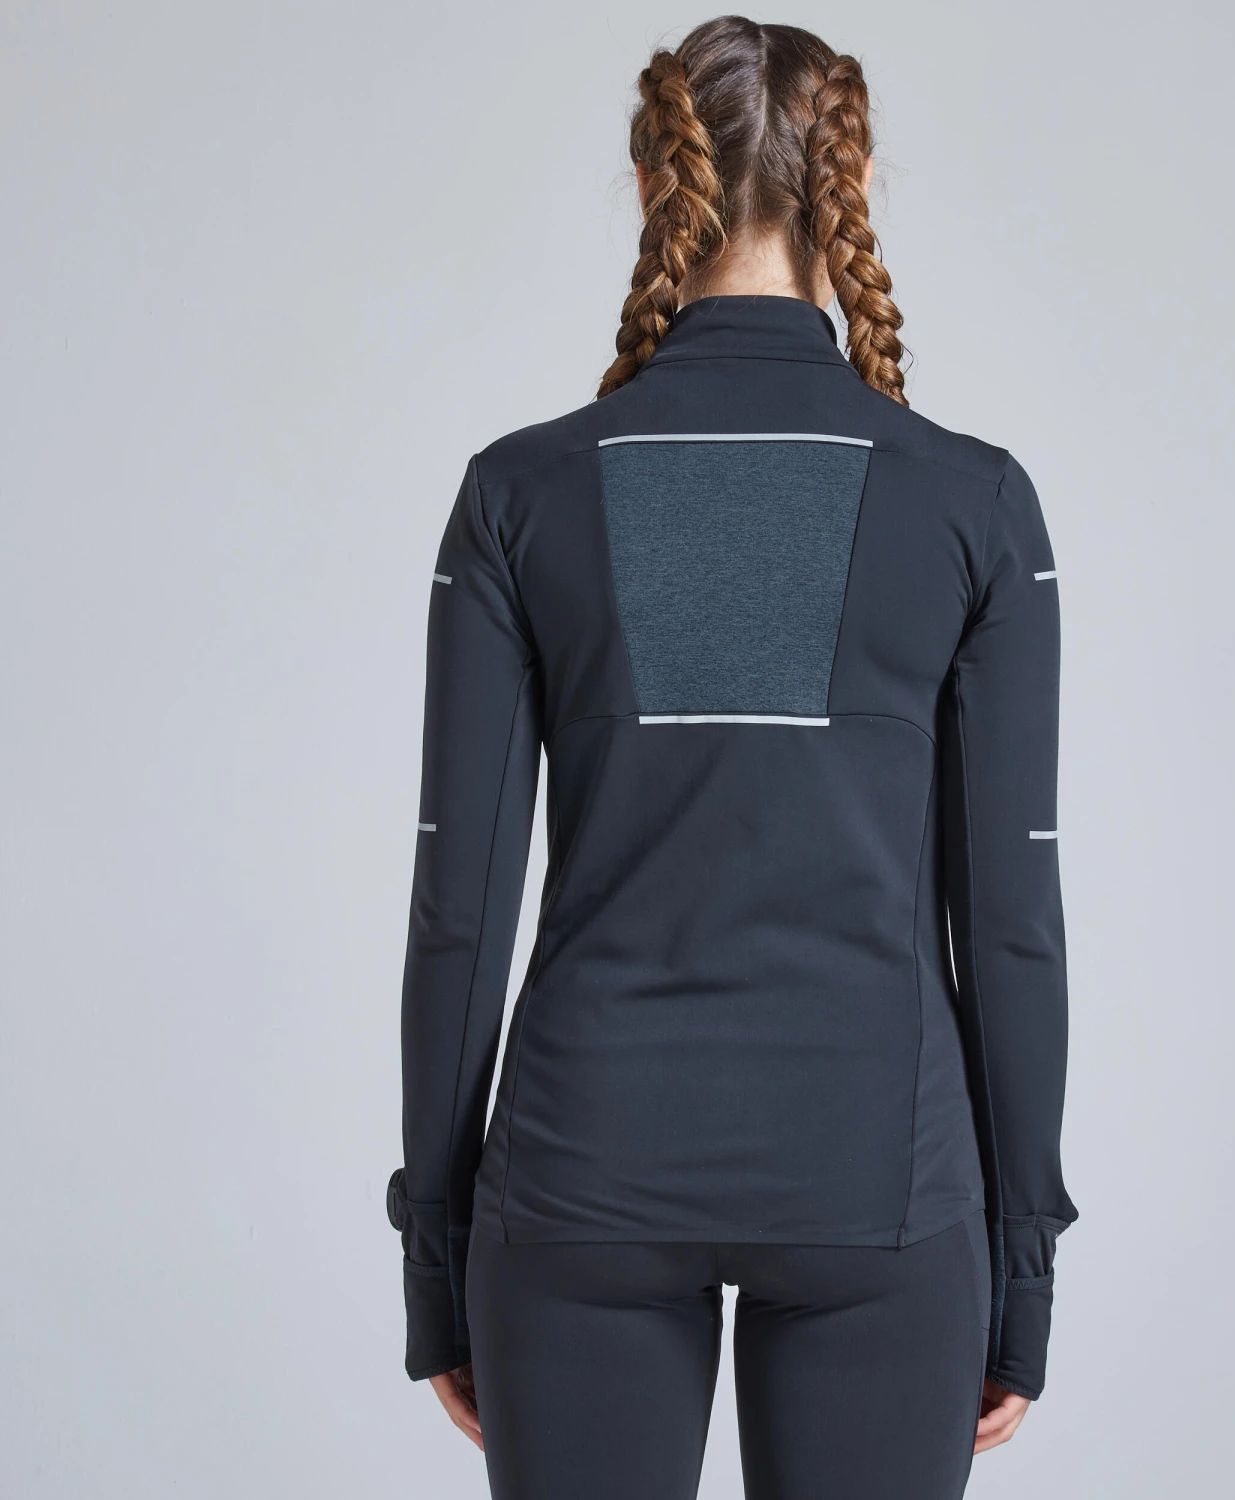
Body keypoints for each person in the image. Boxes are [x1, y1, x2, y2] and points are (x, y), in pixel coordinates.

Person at [385, 15, 1078, 1498]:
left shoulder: (520, 495)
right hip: (881, 1187)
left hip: (580, 1178)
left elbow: (459, 914)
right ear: (854, 185)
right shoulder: (972, 504)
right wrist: (1023, 1268)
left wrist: (434, 1260)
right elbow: (1012, 924)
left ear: (655, 184)